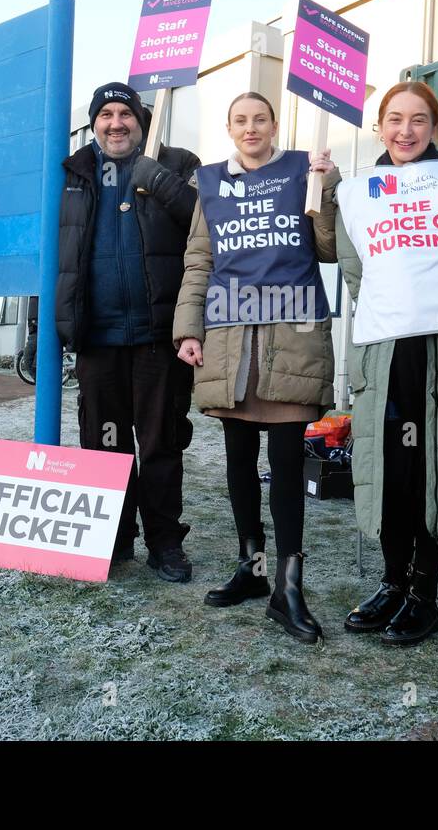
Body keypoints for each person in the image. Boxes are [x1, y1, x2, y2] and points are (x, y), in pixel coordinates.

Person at [324, 81, 438, 646]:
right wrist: (319, 182)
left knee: (434, 471)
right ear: (379, 127)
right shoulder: (355, 193)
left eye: (419, 120)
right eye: (395, 119)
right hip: (383, 348)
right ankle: (390, 583)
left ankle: (424, 592)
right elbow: (354, 271)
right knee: (390, 477)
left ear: (434, 128)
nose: (406, 131)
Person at [173, 92, 339, 644]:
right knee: (239, 458)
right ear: (229, 127)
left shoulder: (301, 170)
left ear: (275, 125)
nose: (251, 128)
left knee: (288, 463)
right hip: (228, 338)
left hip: (291, 337)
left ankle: (288, 587)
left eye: (260, 119)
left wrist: (327, 187)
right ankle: (252, 566)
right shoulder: (210, 183)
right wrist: (187, 329)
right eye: (240, 119)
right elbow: (200, 259)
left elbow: (328, 247)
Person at [55, 82, 200, 581]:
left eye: (126, 114)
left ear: (142, 119)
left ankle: (164, 541)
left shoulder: (176, 163)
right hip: (97, 337)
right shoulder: (73, 173)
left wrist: (155, 178)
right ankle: (113, 539)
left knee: (160, 444)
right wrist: (47, 324)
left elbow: (206, 221)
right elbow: (54, 253)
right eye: (106, 115)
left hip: (159, 335)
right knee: (105, 443)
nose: (116, 123)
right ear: (93, 123)